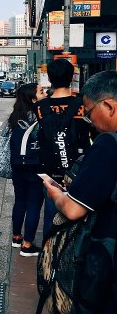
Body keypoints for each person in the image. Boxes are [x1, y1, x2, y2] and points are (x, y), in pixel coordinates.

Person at [43, 70, 117, 313]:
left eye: (89, 112)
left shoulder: (108, 144)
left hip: (106, 259)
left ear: (109, 106)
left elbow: (74, 209)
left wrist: (57, 195)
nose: (89, 120)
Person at [35, 59, 92, 236]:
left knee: (52, 216)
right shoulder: (82, 105)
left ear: (49, 79)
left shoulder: (40, 107)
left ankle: (48, 257)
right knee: (80, 217)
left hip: (50, 173)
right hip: (80, 170)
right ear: (72, 77)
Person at [9, 83, 48, 256]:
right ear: (33, 99)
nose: (45, 93)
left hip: (16, 164)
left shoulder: (15, 116)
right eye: (41, 92)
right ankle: (27, 245)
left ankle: (16, 237)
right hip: (35, 165)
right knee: (33, 205)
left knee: (20, 202)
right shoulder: (41, 117)